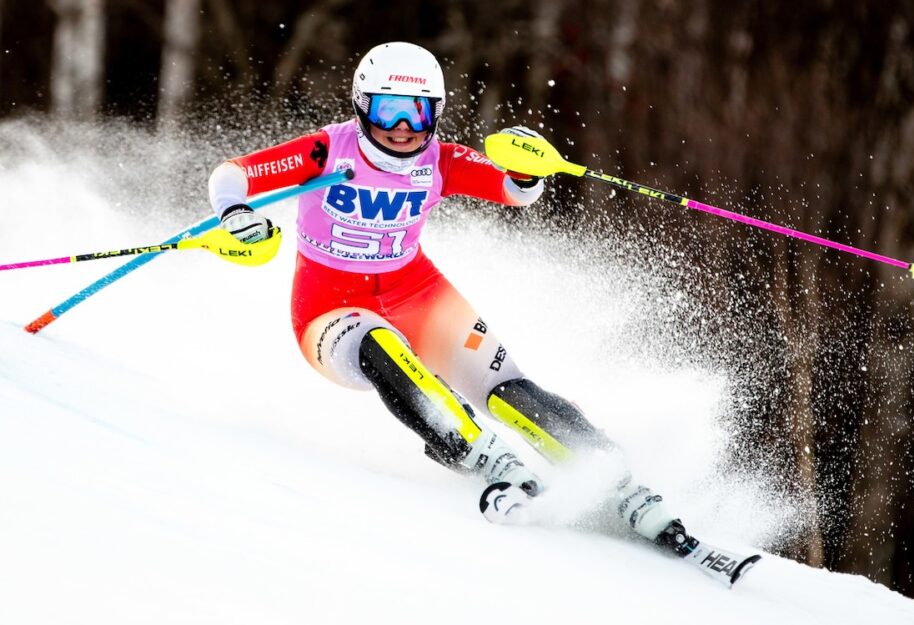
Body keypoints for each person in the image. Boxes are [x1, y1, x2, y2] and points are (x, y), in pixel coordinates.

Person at [208, 42, 693, 556]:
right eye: (387, 109)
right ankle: (485, 457)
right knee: (379, 342)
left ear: (434, 112)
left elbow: (513, 190)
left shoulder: (438, 158)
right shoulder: (328, 151)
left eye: (417, 111)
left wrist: (528, 169)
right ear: (360, 105)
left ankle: (615, 481)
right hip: (328, 308)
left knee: (507, 388)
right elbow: (231, 175)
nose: (402, 126)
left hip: (414, 290)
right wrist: (234, 213)